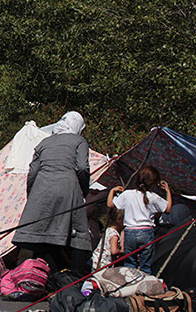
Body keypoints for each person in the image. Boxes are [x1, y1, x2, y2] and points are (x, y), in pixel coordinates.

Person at [12, 111, 92, 273]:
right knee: (80, 235)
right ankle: (74, 279)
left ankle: (50, 278)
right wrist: (83, 190)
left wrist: (33, 196)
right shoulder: (79, 141)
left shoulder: (44, 143)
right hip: (68, 187)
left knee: (43, 235)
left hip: (41, 189)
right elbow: (83, 167)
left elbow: (32, 172)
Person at [107, 165, 173, 274]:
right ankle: (144, 285)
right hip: (146, 232)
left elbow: (110, 204)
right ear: (153, 183)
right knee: (145, 265)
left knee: (129, 263)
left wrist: (112, 191)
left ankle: (130, 284)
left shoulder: (128, 194)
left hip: (130, 232)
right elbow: (168, 209)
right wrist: (168, 191)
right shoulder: (153, 197)